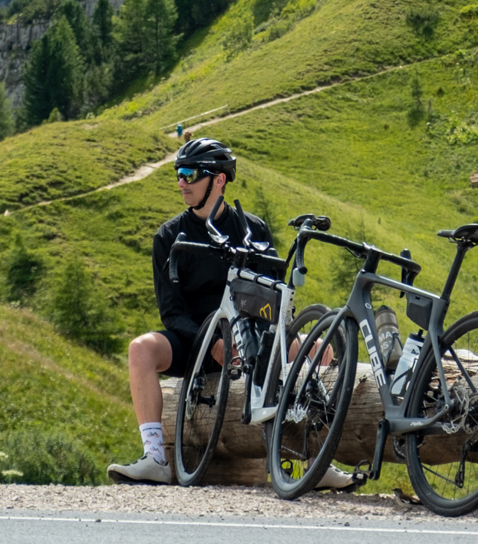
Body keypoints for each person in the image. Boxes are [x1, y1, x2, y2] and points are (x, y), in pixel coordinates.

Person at [106, 138, 357, 490]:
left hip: (249, 339)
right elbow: (171, 312)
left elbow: (272, 296)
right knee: (140, 349)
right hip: (195, 340)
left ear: (219, 180)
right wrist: (211, 345)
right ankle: (155, 459)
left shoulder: (252, 228)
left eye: (190, 173)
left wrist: (255, 340)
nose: (182, 182)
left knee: (319, 350)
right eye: (179, 173)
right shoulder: (168, 236)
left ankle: (316, 462)